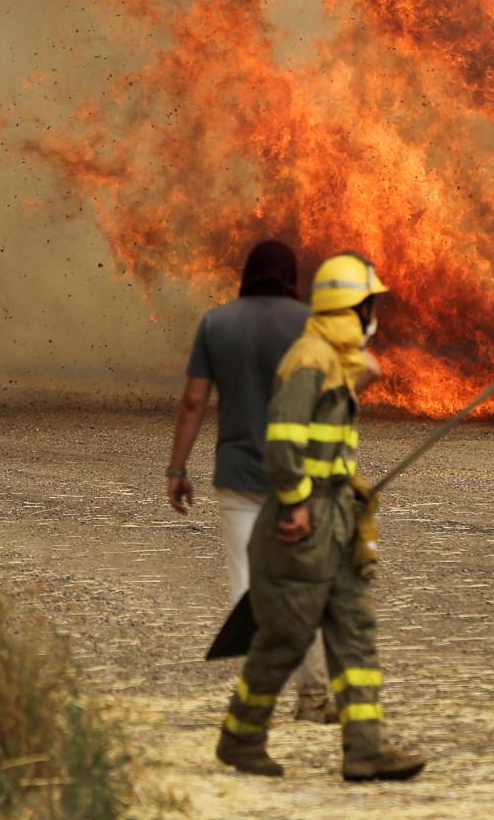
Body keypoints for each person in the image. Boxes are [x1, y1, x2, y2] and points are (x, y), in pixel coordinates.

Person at [216, 253, 426, 783]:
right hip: (304, 521)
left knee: (355, 630)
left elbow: (370, 371)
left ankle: (366, 749)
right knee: (284, 636)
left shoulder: (335, 356)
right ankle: (241, 738)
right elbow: (282, 441)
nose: (375, 315)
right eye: (370, 305)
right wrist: (295, 503)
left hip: (337, 518)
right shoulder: (310, 360)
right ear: (352, 308)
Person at [164, 240, 334, 721]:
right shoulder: (310, 325)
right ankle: (314, 695)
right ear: (291, 276)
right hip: (298, 477)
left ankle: (258, 699)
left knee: (248, 589)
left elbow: (193, 403)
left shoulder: (217, 323)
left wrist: (177, 468)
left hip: (237, 475)